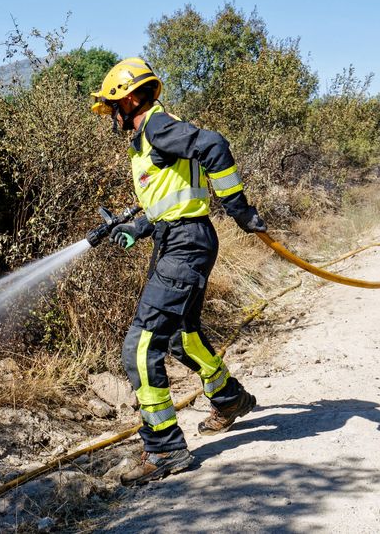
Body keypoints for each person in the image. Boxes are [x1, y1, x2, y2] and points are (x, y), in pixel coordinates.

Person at [90, 57, 264, 486]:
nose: (112, 118)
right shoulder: (155, 135)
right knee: (178, 335)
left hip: (186, 245)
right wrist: (139, 226)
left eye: (112, 107)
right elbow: (173, 198)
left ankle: (164, 450)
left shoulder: (156, 126)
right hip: (179, 239)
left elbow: (215, 145)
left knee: (140, 346)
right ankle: (228, 398)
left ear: (130, 100)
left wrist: (238, 208)